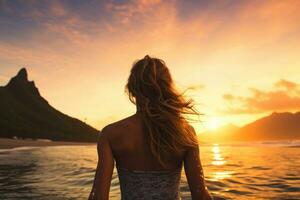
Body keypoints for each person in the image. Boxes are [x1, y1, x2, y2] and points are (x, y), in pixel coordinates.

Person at [89, 55, 213, 200]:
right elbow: (201, 195)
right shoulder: (185, 133)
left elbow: (98, 197)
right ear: (166, 87)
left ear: (132, 90)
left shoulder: (110, 134)